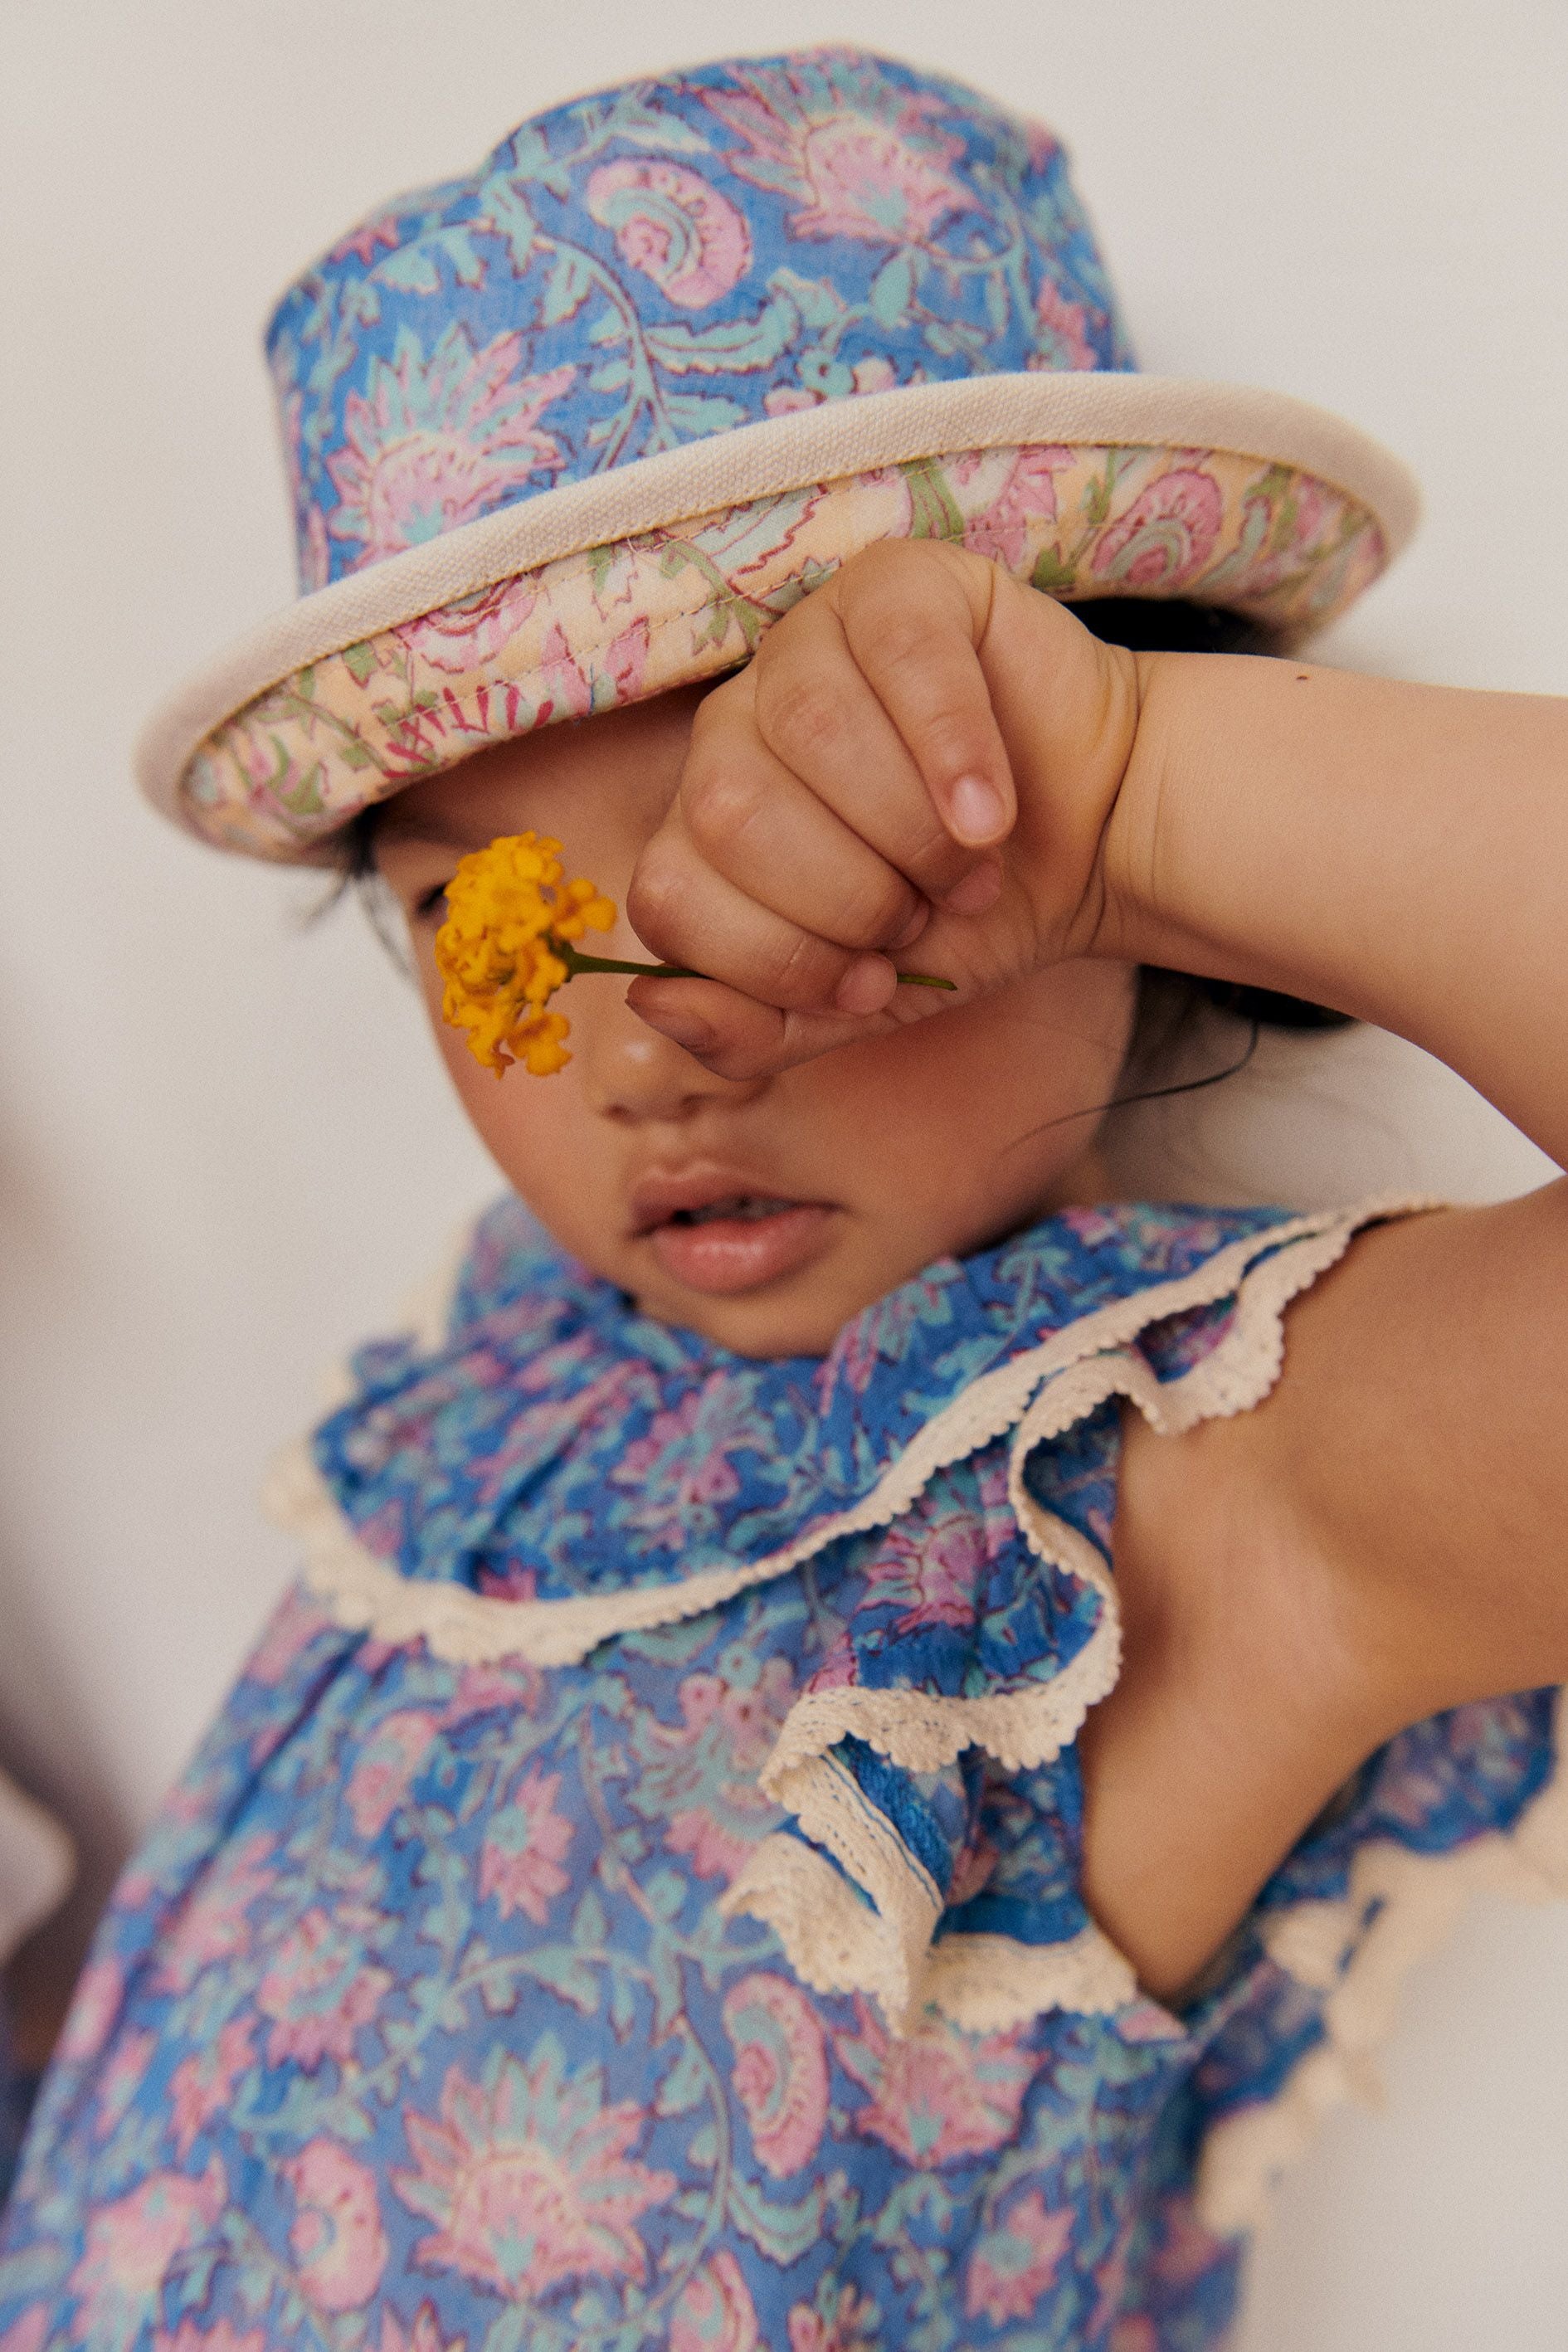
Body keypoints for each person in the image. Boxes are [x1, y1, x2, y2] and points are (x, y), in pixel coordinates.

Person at [2, 45, 1563, 2352]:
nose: (654, 1040)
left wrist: (1128, 788)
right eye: (487, 918)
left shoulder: (1152, 1523)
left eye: (833, 861)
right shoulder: (503, 1395)